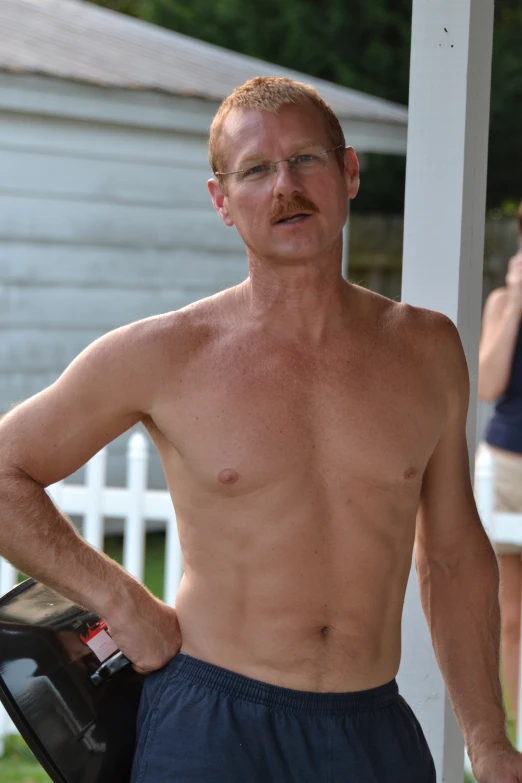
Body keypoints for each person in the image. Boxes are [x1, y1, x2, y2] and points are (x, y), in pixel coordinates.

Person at [0, 76, 519, 783]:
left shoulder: (426, 349)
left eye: (306, 159)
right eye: (256, 170)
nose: (286, 186)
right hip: (211, 723)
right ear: (221, 201)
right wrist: (121, 598)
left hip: (370, 729)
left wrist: (488, 743)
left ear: (349, 172)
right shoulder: (164, 353)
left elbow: (454, 556)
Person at [478, 201, 522, 727]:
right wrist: (514, 305)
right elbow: (488, 385)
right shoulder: (501, 303)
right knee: (511, 617)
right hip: (504, 469)